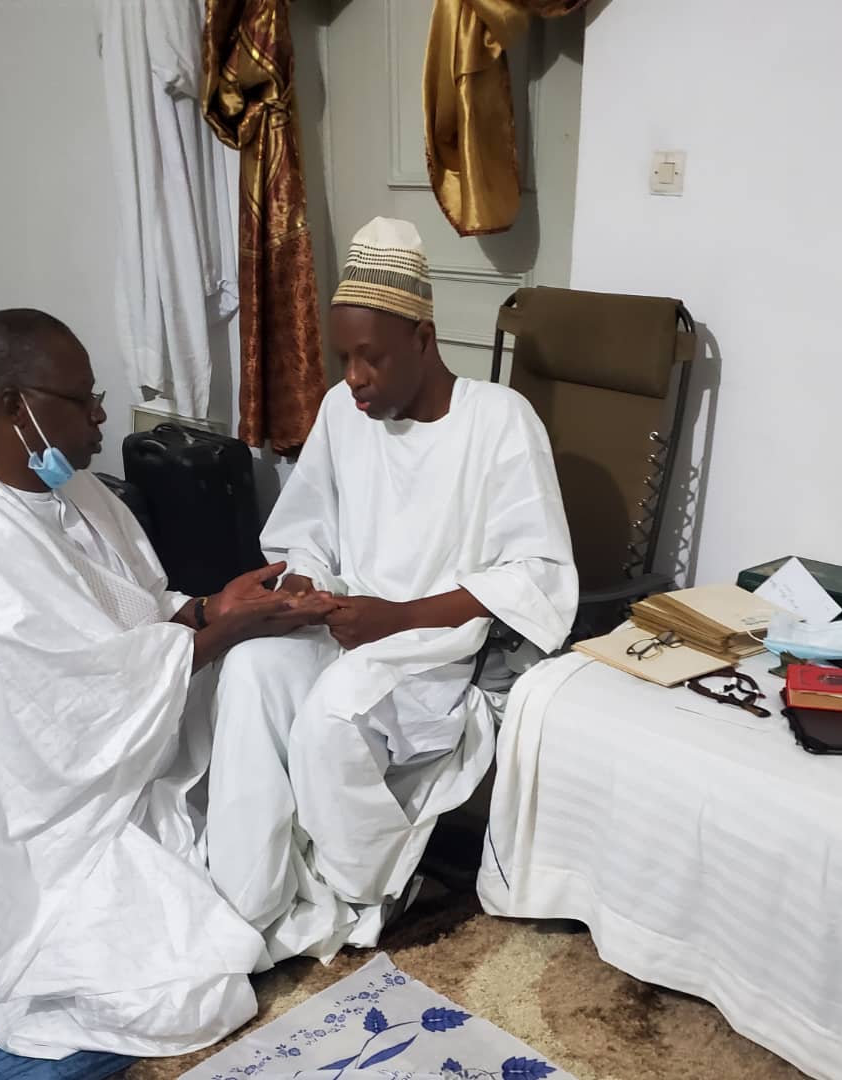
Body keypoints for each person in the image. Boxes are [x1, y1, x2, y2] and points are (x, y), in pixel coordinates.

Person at [0, 309, 333, 1060]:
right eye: (81, 399)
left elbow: (134, 614)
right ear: (14, 405)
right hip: (54, 814)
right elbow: (63, 714)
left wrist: (213, 606)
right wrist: (225, 631)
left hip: (132, 741)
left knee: (284, 705)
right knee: (193, 999)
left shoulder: (74, 488)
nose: (99, 416)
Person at [206, 217, 578, 963]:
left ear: (423, 339)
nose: (353, 378)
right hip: (346, 623)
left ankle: (363, 893)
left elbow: (536, 573)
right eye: (344, 358)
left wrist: (396, 618)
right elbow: (307, 528)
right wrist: (306, 584)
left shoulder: (499, 421)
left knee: (332, 716)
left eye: (369, 358)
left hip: (437, 651)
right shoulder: (342, 412)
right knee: (246, 669)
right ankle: (246, 894)